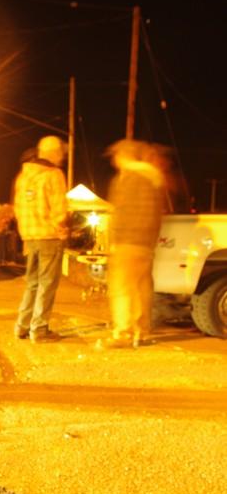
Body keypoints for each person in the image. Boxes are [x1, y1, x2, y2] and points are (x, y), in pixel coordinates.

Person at [102, 139, 169, 348]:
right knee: (141, 289)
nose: (114, 160)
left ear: (123, 156)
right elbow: (158, 216)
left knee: (121, 288)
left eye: (116, 155)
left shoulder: (127, 178)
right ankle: (141, 331)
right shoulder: (154, 179)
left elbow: (121, 213)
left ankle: (123, 333)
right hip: (146, 244)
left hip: (127, 241)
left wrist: (114, 240)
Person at [12, 135, 69, 342]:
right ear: (53, 153)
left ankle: (22, 325)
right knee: (47, 284)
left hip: (30, 237)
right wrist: (62, 230)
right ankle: (40, 329)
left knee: (32, 283)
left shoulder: (24, 176)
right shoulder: (53, 175)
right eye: (61, 153)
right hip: (49, 236)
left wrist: (26, 232)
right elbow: (59, 210)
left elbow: (18, 208)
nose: (62, 157)